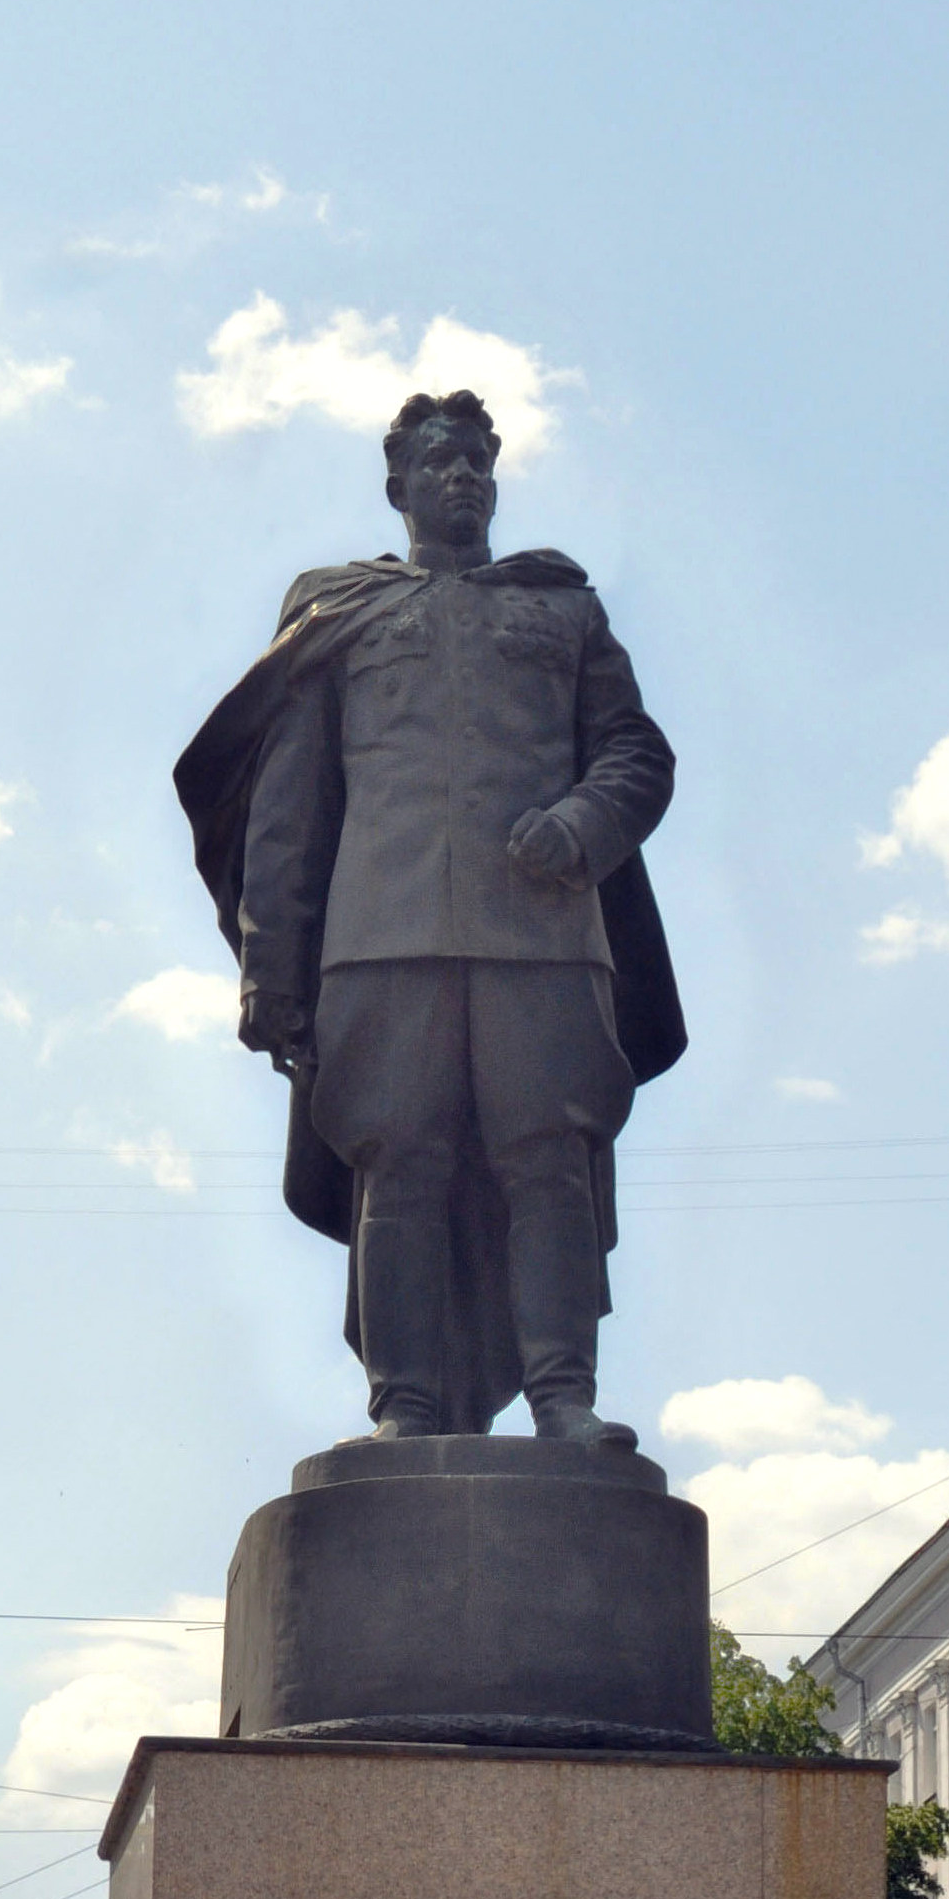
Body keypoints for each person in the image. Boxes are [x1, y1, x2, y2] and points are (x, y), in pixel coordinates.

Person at [174, 389, 683, 1441]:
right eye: (439, 462)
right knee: (396, 1163)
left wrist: (580, 826)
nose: (461, 478)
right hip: (379, 941)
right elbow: (289, 805)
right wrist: (271, 965)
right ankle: (401, 1405)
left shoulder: (561, 610)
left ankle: (562, 1398)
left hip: (541, 939)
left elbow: (635, 753)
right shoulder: (338, 611)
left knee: (547, 1161)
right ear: (398, 487)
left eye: (477, 464)